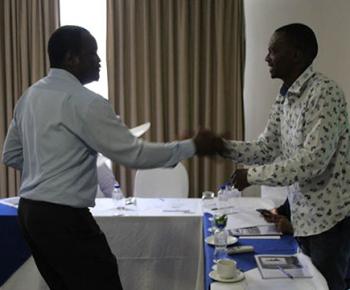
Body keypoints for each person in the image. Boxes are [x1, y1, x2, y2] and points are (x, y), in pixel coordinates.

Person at [1, 25, 222, 290]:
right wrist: (192, 146)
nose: (99, 60)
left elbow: (11, 154)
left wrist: (46, 167)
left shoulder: (29, 96)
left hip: (30, 214)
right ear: (72, 58)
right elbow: (134, 154)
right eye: (92, 53)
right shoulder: (86, 102)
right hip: (63, 219)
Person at [220, 23, 350, 290]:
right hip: (303, 219)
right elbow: (265, 148)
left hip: (330, 222)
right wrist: (221, 147)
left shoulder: (325, 93)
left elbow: (312, 161)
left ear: (296, 55)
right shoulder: (285, 98)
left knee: (327, 286)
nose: (267, 57)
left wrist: (251, 176)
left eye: (273, 51)